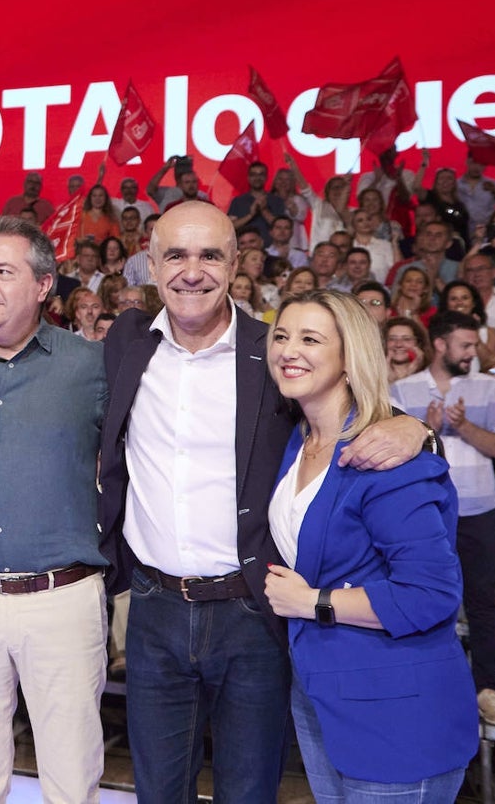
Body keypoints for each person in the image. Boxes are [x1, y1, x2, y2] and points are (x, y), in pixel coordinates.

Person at [95, 201, 428, 804]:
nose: (191, 271)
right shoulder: (126, 342)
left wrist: (416, 430)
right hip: (151, 609)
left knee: (248, 790)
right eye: (176, 254)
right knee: (155, 791)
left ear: (235, 264)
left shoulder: (274, 352)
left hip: (252, 609)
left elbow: (347, 396)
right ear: (150, 262)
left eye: (210, 255)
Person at [263, 289, 477, 802]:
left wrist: (312, 603)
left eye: (310, 339)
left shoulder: (388, 454)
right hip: (321, 699)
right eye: (281, 336)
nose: (289, 350)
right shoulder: (299, 438)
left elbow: (431, 594)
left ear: (348, 357)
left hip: (396, 714)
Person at [0, 215, 108, 802]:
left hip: (62, 600)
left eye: (3, 272)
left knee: (71, 778)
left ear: (43, 287)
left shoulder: (89, 365)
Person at [391, 310, 495, 727]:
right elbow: (391, 454)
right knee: (422, 602)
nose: (472, 352)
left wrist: (463, 427)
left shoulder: (488, 386)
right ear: (440, 345)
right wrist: (428, 429)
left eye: (474, 344)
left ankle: (488, 691)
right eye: (465, 344)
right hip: (423, 513)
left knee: (481, 605)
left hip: (478, 512)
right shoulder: (402, 389)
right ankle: (425, 690)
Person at [441, 279, 495, 370]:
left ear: (473, 303)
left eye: (465, 298)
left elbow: (491, 366)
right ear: (446, 304)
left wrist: (474, 332)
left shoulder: (489, 332)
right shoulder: (439, 332)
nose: (459, 302)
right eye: (454, 299)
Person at [384, 316, 431, 384]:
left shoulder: (429, 377)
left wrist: (409, 374)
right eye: (392, 339)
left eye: (406, 339)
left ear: (418, 344)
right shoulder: (372, 374)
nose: (399, 344)